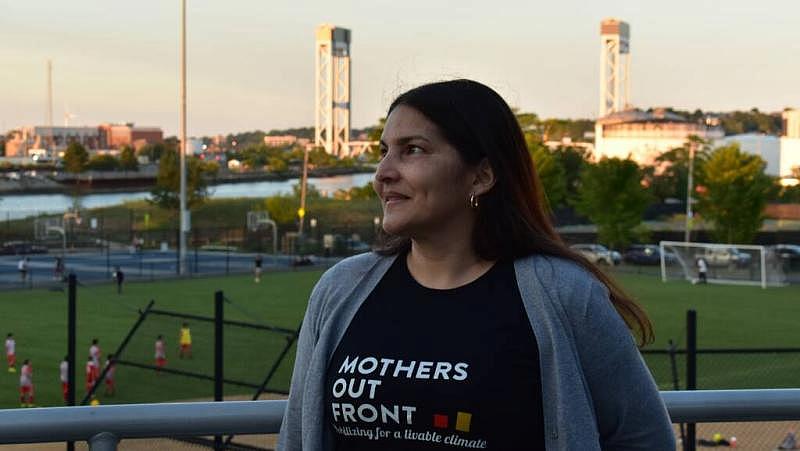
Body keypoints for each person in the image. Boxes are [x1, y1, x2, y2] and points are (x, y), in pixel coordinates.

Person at [277, 80, 674, 450]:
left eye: (412, 149)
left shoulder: (564, 294)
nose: (383, 173)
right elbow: (297, 436)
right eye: (384, 152)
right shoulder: (341, 288)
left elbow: (644, 437)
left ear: (481, 176)